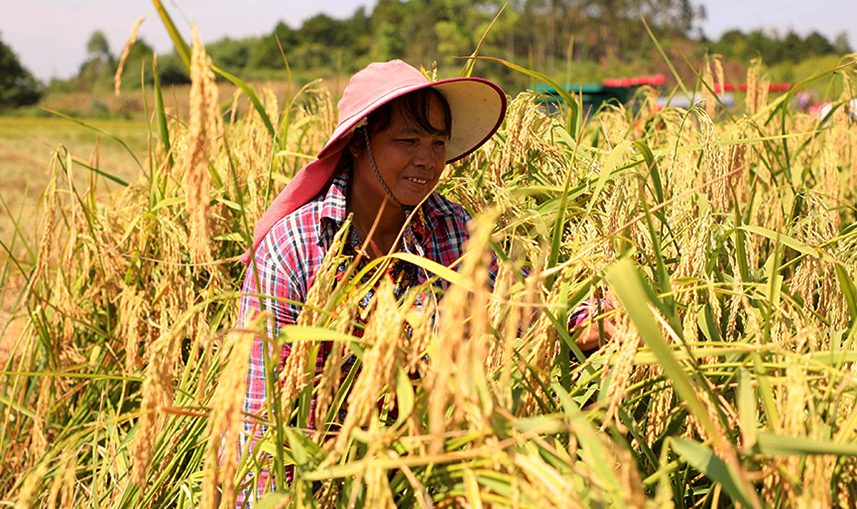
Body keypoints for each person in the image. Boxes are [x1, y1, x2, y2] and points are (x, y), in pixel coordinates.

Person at [236, 60, 613, 505]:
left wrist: (604, 320)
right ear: (359, 143)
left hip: (426, 473)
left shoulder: (446, 225)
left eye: (437, 143)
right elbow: (260, 423)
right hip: (320, 478)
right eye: (407, 140)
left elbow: (525, 309)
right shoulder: (297, 248)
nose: (428, 160)